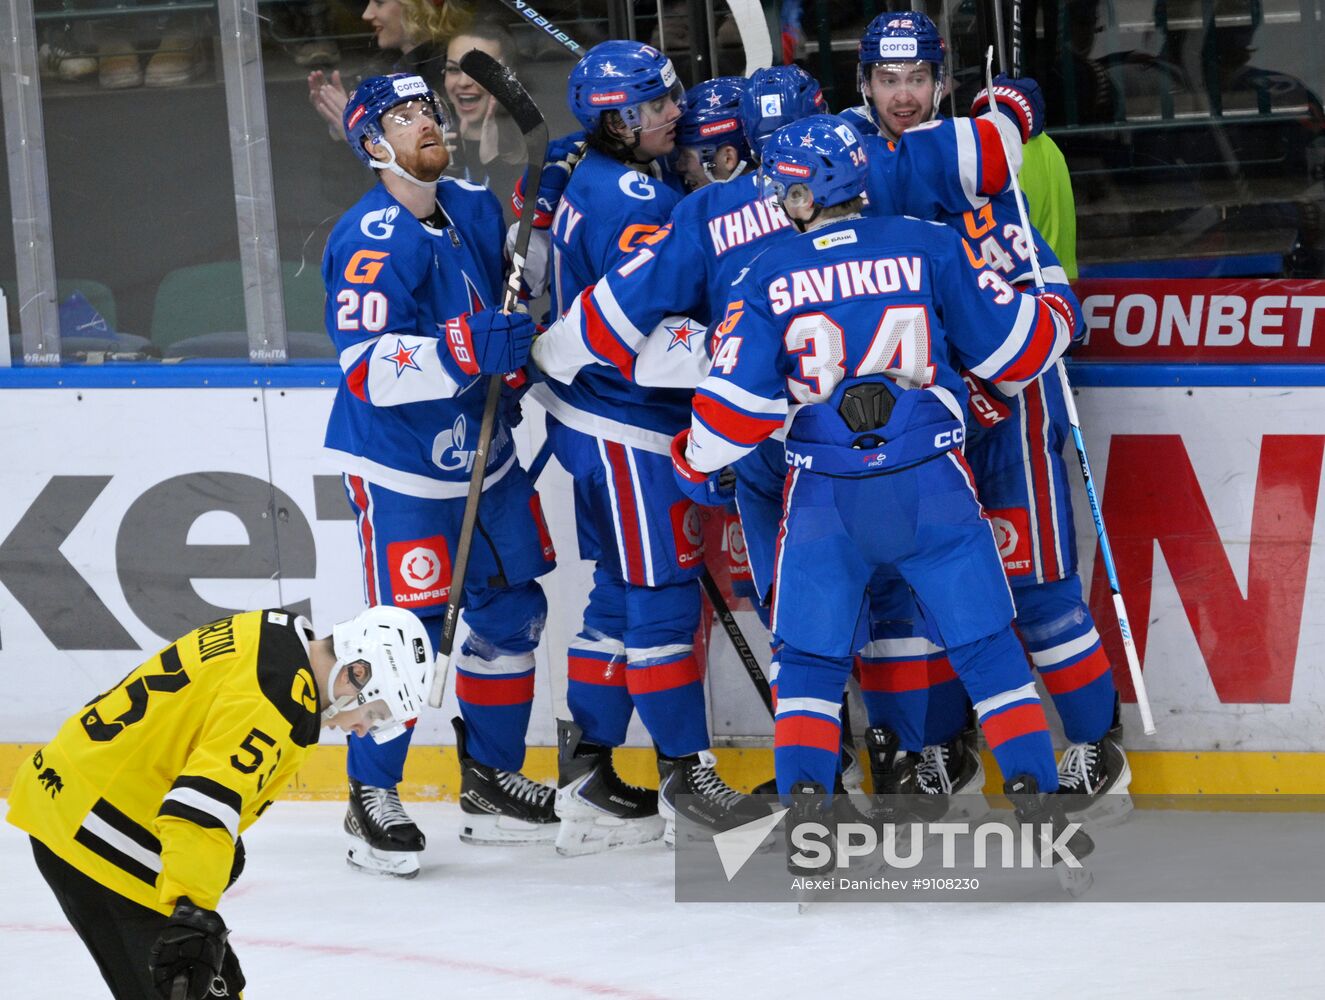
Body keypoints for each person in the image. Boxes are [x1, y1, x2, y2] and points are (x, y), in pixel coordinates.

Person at [668, 116, 1092, 879]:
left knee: (807, 667)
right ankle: (1043, 823)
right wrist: (1056, 307)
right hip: (933, 486)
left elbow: (726, 420)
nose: (775, 196)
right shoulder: (929, 243)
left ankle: (811, 839)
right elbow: (1019, 350)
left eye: (783, 185)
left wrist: (691, 458)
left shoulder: (763, 272)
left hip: (823, 501)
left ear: (805, 190)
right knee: (990, 654)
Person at [838, 11, 1131, 823]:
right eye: (887, 80)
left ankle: (1094, 750)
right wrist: (1003, 122)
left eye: (918, 80)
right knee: (905, 595)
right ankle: (935, 752)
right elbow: (902, 163)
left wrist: (1015, 364)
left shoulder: (990, 191)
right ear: (864, 84)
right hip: (902, 431)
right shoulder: (853, 161)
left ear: (941, 83)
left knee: (1035, 587)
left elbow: (1057, 300)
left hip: (1008, 422)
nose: (903, 96)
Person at [528, 40, 762, 855]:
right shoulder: (638, 199)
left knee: (618, 598)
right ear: (613, 121)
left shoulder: (594, 179)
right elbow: (647, 342)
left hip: (585, 421)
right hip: (629, 426)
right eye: (655, 105)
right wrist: (746, 349)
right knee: (661, 597)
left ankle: (588, 772)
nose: (675, 112)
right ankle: (685, 780)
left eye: (671, 97)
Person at [324, 73, 558, 875]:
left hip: (483, 460)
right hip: (401, 470)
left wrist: (515, 356)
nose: (425, 121)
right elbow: (365, 368)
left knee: (512, 614)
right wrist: (465, 351)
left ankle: (490, 780)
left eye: (426, 109)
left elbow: (509, 300)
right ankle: (369, 798)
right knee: (403, 635)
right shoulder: (367, 240)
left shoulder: (473, 207)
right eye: (402, 115)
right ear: (372, 145)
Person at [6, 605, 433, 1000]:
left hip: (70, 790)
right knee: (191, 977)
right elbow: (201, 807)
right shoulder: (281, 699)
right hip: (104, 835)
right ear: (356, 673)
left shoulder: (271, 630)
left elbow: (194, 733)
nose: (362, 729)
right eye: (375, 713)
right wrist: (193, 911)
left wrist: (220, 844)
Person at [308, 0, 469, 141]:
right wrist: (338, 127)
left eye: (379, 2)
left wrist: (359, 139)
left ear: (418, 6)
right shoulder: (379, 69)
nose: (367, 14)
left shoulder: (450, 74)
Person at [442, 18, 526, 208]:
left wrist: (494, 165)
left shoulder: (537, 144)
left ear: (508, 77)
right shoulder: (430, 145)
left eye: (477, 70)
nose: (463, 82)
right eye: (454, 69)